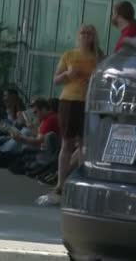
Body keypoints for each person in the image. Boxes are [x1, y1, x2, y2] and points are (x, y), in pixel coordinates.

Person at [38, 24, 101, 206]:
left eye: (89, 33)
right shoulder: (69, 55)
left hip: (87, 102)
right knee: (67, 142)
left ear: (93, 37)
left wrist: (92, 80)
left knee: (83, 144)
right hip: (69, 101)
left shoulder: (97, 57)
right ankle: (60, 182)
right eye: (83, 33)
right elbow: (56, 80)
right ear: (78, 35)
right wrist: (68, 73)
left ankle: (81, 182)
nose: (86, 36)